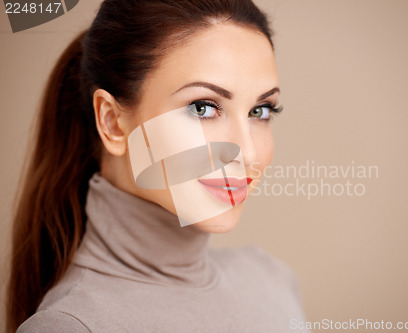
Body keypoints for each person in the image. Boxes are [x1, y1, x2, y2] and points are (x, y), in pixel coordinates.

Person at [6, 0, 310, 332]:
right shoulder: (70, 326)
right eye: (203, 108)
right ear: (112, 123)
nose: (248, 153)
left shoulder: (273, 282)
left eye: (260, 111)